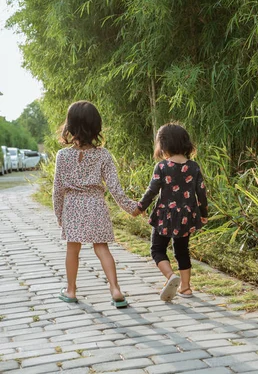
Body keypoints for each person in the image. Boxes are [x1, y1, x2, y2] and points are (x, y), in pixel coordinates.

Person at [53, 101, 141, 308]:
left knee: (72, 250)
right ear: (96, 127)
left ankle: (71, 290)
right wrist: (132, 208)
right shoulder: (103, 155)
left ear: (70, 126)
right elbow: (115, 188)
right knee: (102, 248)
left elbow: (58, 190)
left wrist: (59, 216)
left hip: (73, 207)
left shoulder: (63, 155)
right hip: (96, 206)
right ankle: (115, 289)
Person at [137, 123, 208, 302]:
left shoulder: (162, 167)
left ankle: (170, 276)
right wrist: (203, 213)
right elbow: (201, 192)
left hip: (164, 216)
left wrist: (140, 207)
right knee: (182, 250)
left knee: (157, 249)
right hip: (186, 216)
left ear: (163, 144)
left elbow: (152, 191)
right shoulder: (194, 167)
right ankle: (185, 287)